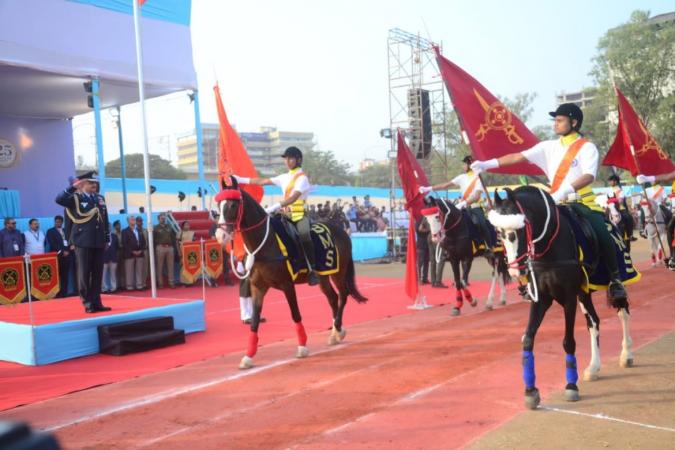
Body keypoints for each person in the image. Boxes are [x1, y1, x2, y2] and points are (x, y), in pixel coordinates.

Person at [470, 103, 627, 302]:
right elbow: (518, 156)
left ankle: (615, 280)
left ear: (574, 122)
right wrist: (487, 164)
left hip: (582, 202)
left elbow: (588, 176)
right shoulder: (548, 146)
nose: (556, 124)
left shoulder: (587, 147)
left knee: (602, 230)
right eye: (555, 120)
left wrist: (564, 190)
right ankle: (529, 280)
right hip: (554, 203)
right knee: (529, 232)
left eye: (560, 120)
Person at [232, 146, 320, 285]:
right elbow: (262, 181)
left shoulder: (302, 178)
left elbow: (293, 197)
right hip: (284, 215)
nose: (288, 161)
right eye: (286, 159)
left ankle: (312, 269)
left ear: (298, 160)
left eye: (290, 158)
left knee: (304, 233)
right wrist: (240, 179)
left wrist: (275, 206)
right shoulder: (284, 177)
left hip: (299, 216)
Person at [54, 171, 111, 313]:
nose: (94, 185)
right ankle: (87, 303)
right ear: (82, 184)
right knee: (84, 273)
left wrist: (106, 238)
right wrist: (73, 187)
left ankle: (97, 302)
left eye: (95, 183)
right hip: (83, 240)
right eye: (91, 183)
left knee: (97, 273)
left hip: (98, 241)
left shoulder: (99, 198)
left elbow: (105, 219)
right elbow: (59, 199)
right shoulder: (75, 198)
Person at [419, 155, 494, 250]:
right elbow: (445, 185)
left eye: (465, 164)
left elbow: (476, 196)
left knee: (480, 223)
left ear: (470, 165)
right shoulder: (462, 177)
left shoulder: (478, 178)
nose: (463, 166)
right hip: (462, 208)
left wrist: (464, 203)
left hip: (475, 207)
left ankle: (488, 246)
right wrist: (429, 188)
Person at [46, 215, 73, 297]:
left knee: (65, 275)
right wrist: (62, 251)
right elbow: (52, 243)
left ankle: (64, 292)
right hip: (57, 256)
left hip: (67, 256)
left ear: (62, 222)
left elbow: (70, 241)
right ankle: (57, 293)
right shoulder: (50, 231)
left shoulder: (66, 231)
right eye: (57, 222)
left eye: (60, 222)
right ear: (54, 222)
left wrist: (68, 251)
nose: (58, 223)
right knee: (56, 276)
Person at [607, 174, 635, 242]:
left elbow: (621, 200)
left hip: (620, 208)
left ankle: (630, 234)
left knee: (628, 217)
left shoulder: (620, 190)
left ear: (615, 182)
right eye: (609, 181)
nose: (610, 182)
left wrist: (615, 202)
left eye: (611, 181)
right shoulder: (608, 190)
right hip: (610, 209)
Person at [122, 216, 146, 291]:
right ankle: (129, 286)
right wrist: (132, 251)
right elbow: (124, 243)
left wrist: (140, 250)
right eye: (132, 219)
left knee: (139, 270)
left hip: (139, 253)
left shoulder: (139, 230)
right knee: (129, 271)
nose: (133, 220)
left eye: (134, 219)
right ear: (128, 221)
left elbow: (143, 242)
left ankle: (139, 285)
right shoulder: (125, 231)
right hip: (129, 254)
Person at [153, 213, 177, 289]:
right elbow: (153, 239)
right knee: (160, 266)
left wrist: (173, 247)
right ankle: (160, 283)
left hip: (169, 247)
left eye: (164, 218)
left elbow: (173, 237)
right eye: (161, 218)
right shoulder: (155, 228)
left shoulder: (169, 227)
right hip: (160, 247)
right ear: (158, 219)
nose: (163, 220)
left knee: (171, 266)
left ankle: (171, 282)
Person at [102, 224, 119, 293]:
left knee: (113, 274)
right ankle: (104, 288)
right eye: (107, 227)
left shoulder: (114, 236)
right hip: (104, 258)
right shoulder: (101, 236)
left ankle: (113, 288)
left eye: (109, 227)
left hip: (113, 257)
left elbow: (117, 247)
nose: (108, 228)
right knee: (103, 275)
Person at [136, 216, 149, 289]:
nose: (140, 222)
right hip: (138, 251)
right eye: (138, 221)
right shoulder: (135, 230)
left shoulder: (145, 230)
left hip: (145, 250)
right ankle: (139, 284)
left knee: (145, 267)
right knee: (139, 268)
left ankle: (144, 284)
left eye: (141, 221)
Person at [416, 217, 430, 284]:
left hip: (427, 243)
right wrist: (428, 230)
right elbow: (419, 230)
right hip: (421, 244)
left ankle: (425, 278)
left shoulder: (424, 220)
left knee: (426, 261)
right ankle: (419, 279)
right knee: (420, 262)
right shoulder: (419, 221)